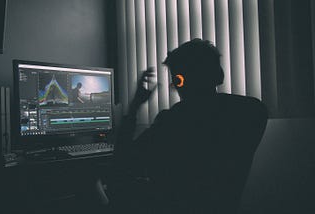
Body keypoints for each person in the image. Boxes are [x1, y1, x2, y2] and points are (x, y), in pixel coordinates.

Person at [111, 38, 268, 213]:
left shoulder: (172, 121)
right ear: (220, 75)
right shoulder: (252, 111)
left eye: (176, 80)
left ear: (180, 83)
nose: (174, 87)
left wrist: (134, 106)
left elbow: (123, 161)